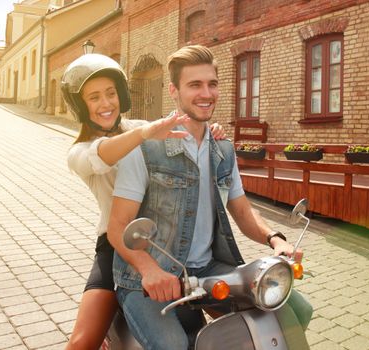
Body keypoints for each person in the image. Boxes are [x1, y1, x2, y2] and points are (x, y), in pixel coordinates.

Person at [107, 45, 313, 350]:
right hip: (148, 277)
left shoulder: (222, 149)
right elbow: (118, 226)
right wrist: (150, 269)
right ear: (174, 91)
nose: (207, 93)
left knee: (295, 310)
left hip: (208, 268)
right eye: (195, 85)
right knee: (175, 345)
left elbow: (242, 211)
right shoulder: (148, 147)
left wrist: (275, 239)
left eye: (212, 84)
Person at [61, 53, 226, 349]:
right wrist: (144, 134)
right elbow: (104, 153)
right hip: (115, 243)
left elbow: (185, 129)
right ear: (80, 106)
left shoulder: (140, 126)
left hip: (165, 240)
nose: (106, 103)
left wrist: (210, 133)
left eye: (111, 93)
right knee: (82, 342)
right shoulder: (80, 152)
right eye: (94, 97)